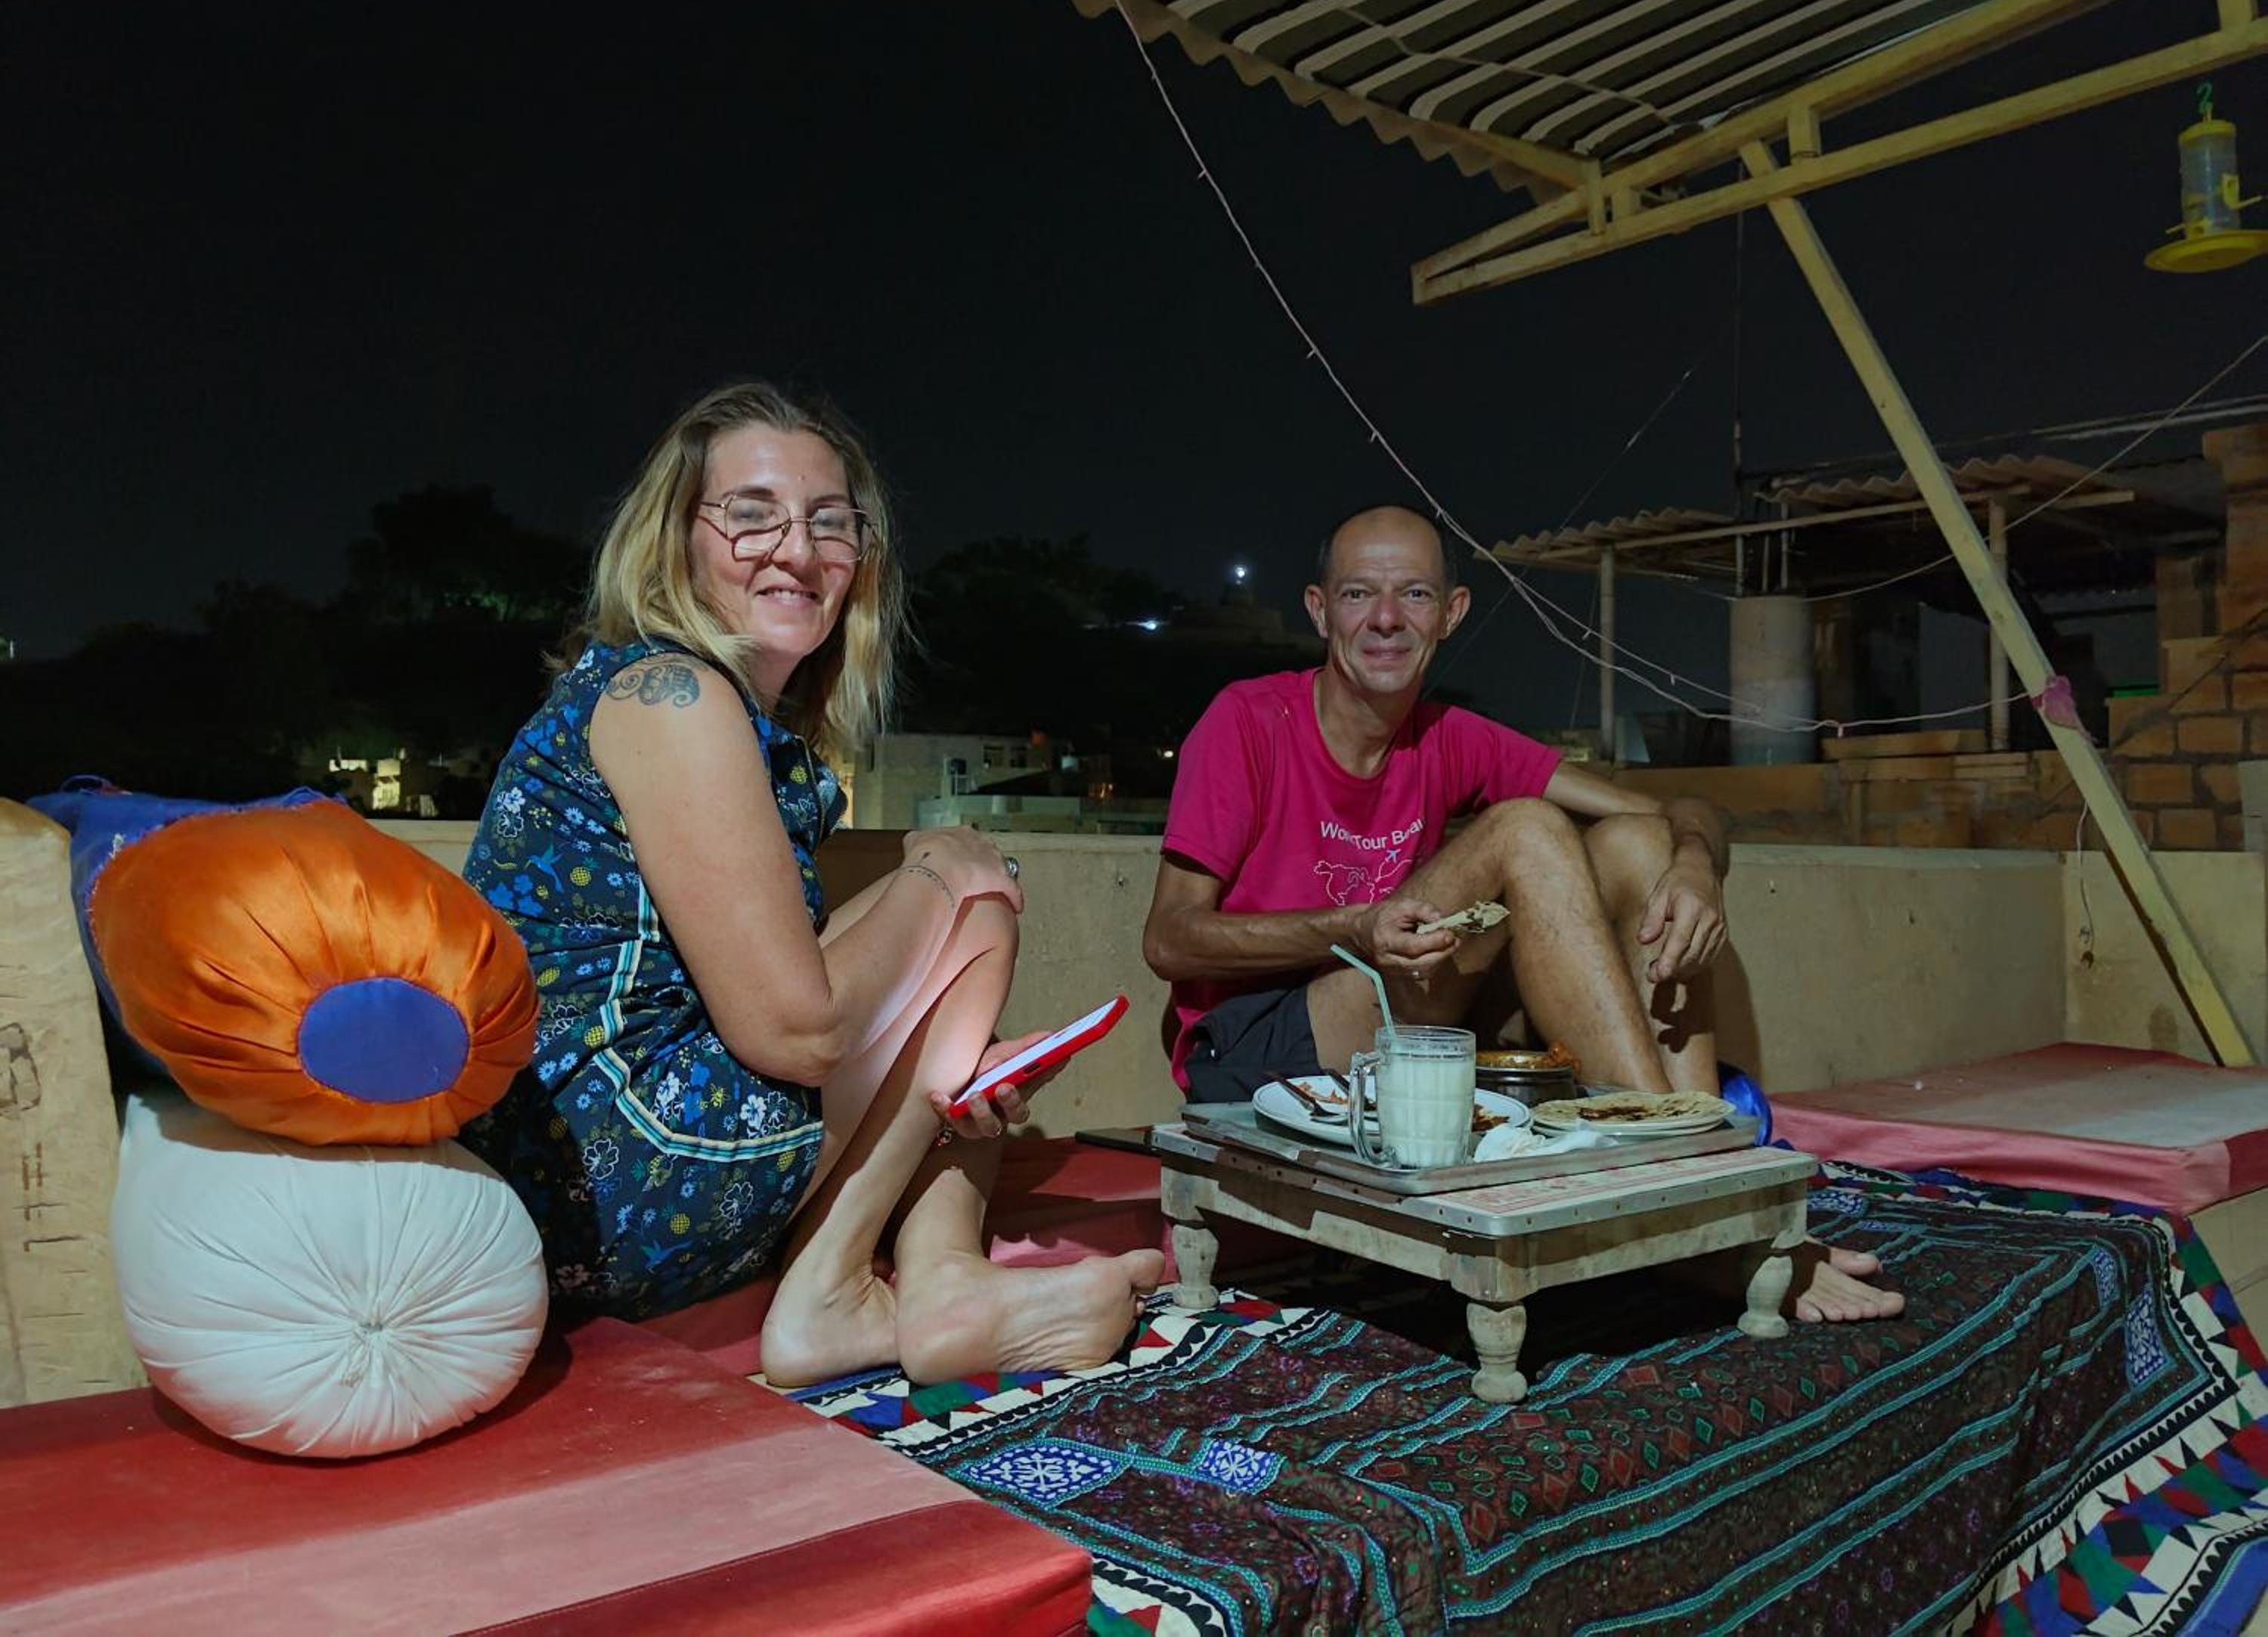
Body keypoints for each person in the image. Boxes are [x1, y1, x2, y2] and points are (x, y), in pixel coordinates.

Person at [460, 381, 1160, 1386]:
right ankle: (854, 1288)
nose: (796, 549)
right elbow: (798, 1032)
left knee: (945, 986)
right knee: (971, 899)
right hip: (616, 1171)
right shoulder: (672, 696)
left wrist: (947, 1065)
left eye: (830, 521)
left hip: (583, 1174)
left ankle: (929, 1279)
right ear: (675, 540)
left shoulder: (684, 699)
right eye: (751, 514)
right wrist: (946, 865)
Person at [1141, 503, 1901, 1323]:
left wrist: (1694, 863)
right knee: (1526, 829)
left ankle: (1695, 1180)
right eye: (1359, 595)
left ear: (1452, 613)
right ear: (1321, 612)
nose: (1387, 619)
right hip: (1260, 1044)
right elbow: (1169, 940)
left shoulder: (1450, 736)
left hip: (1397, 1024)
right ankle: (1692, 1206)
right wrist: (1352, 926)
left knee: (1638, 844)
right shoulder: (1250, 720)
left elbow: (1678, 812)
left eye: (1415, 595)